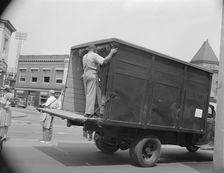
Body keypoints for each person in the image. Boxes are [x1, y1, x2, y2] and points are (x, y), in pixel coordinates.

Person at [82, 44, 118, 140]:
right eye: (96, 49)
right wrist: (111, 52)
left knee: (90, 93)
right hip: (92, 74)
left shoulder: (84, 56)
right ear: (93, 49)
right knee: (92, 94)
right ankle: (89, 112)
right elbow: (104, 61)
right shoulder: (93, 55)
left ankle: (95, 111)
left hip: (86, 74)